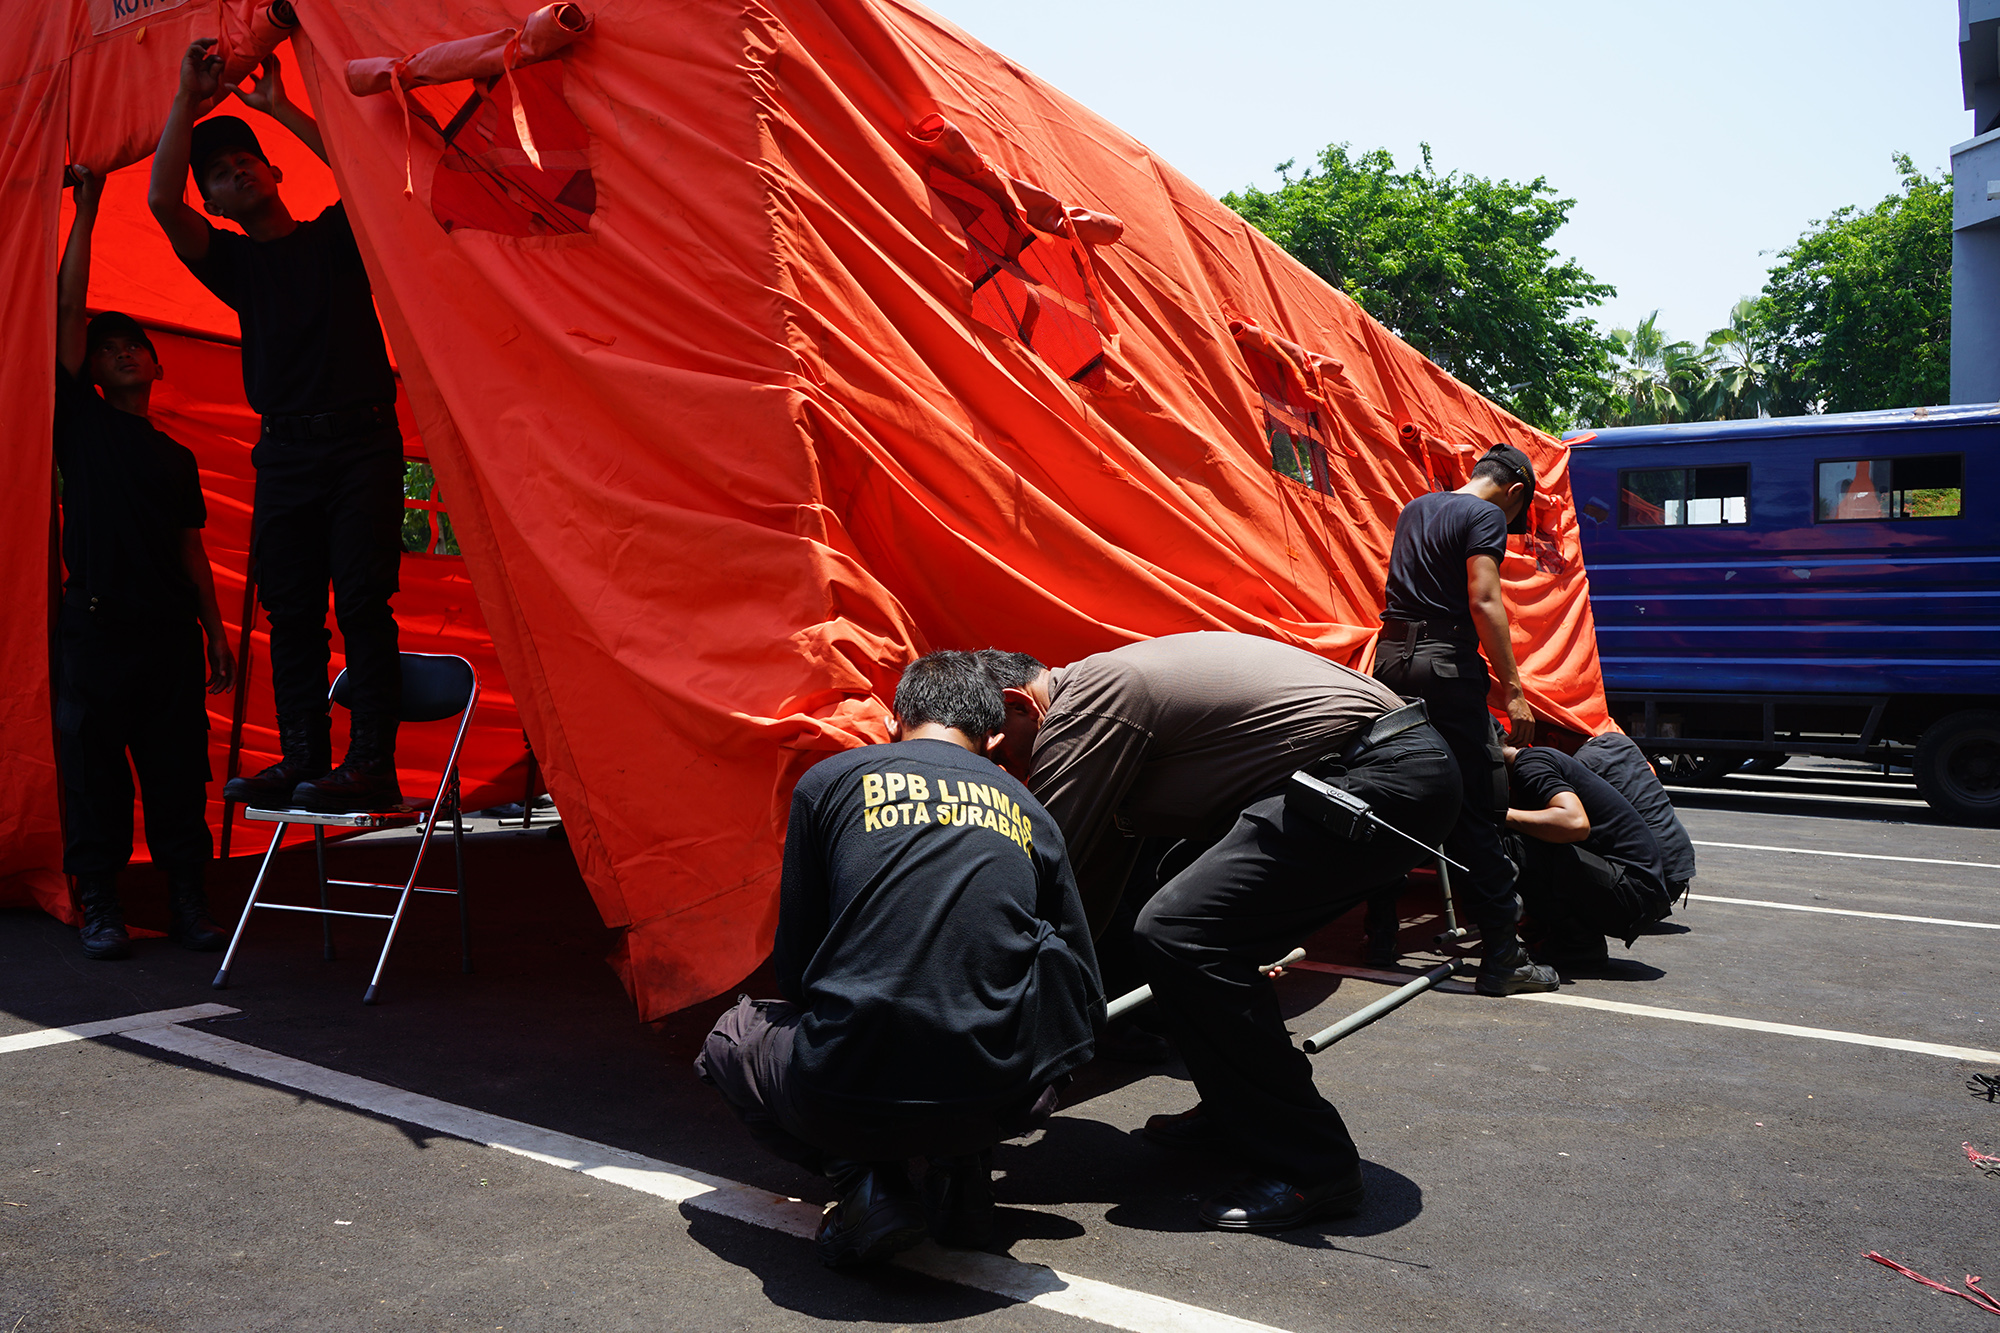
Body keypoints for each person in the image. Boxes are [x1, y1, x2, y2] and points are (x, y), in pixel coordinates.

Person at [982, 633, 1461, 1232]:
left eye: (1002, 750)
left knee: (1181, 935)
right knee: (1187, 940)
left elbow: (1052, 864)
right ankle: (1242, 1111)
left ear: (1022, 703)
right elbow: (1098, 878)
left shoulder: (1088, 703)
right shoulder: (1106, 687)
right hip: (1382, 769)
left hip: (1375, 777)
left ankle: (1314, 1167)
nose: (1007, 768)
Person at [696, 651, 1101, 1269]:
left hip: (845, 1084)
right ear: (994, 737)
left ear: (894, 721)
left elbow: (798, 960)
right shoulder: (1032, 813)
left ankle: (863, 1178)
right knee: (1041, 964)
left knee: (731, 1038)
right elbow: (1082, 982)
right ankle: (961, 1170)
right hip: (1001, 1098)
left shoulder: (830, 782)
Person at [149, 42, 405, 813]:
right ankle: (303, 758)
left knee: (362, 602)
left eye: (246, 160)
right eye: (219, 173)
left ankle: (371, 764)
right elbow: (162, 205)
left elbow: (366, 168)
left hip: (360, 441)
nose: (236, 172)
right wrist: (185, 102)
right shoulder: (235, 265)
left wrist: (281, 109)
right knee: (290, 609)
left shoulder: (334, 237)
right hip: (288, 450)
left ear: (274, 171)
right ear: (217, 203)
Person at [54, 166, 235, 961]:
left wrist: (216, 632)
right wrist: (87, 208)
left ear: (157, 365)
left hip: (168, 638)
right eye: (109, 348)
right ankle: (100, 907)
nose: (124, 352)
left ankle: (189, 902)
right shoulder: (82, 429)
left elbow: (189, 548)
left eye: (137, 346)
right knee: (95, 780)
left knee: (174, 779)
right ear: (92, 371)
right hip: (93, 630)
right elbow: (67, 307)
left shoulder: (177, 457)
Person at [1369, 444, 1560, 997]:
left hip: (1392, 662)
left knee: (1396, 794)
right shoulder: (1483, 515)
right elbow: (1484, 600)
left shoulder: (1416, 508)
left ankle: (1380, 932)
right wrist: (1517, 694)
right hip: (1446, 667)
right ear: (1515, 492)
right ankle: (1503, 958)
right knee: (1477, 805)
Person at [1503, 744, 1674, 960]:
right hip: (1641, 889)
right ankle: (1572, 938)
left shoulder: (1530, 765)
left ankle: (1577, 943)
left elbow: (1574, 823)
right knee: (1525, 838)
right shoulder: (1536, 761)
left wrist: (1498, 814)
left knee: (1510, 846)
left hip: (1635, 893)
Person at [1572, 731, 1696, 903]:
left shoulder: (1578, 763)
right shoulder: (1621, 741)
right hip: (1678, 870)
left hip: (1645, 886)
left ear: (1552, 739)